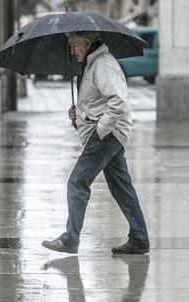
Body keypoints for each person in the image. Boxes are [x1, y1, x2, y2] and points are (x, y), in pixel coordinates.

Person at [42, 31, 150, 255]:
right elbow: (96, 102)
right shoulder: (91, 64)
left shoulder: (103, 64)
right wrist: (78, 116)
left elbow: (118, 100)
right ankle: (139, 239)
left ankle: (70, 239)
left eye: (74, 45)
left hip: (107, 135)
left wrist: (100, 130)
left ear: (87, 42)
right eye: (70, 46)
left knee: (77, 182)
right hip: (108, 134)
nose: (72, 50)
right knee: (122, 189)